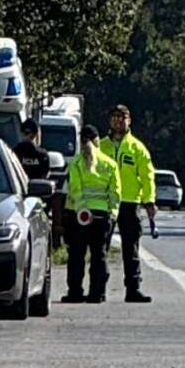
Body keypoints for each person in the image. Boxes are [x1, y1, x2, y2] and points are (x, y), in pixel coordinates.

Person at [100, 104, 156, 303]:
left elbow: (147, 175)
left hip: (129, 203)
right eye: (114, 116)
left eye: (122, 117)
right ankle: (98, 289)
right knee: (101, 247)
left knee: (130, 247)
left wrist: (149, 200)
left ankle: (133, 288)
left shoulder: (137, 148)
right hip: (105, 203)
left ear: (129, 120)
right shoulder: (101, 146)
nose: (118, 120)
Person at [62, 125, 120, 304]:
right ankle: (97, 293)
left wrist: (81, 210)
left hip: (80, 216)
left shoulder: (77, 163)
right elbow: (115, 192)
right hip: (102, 215)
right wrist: (112, 213)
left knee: (77, 255)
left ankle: (75, 293)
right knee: (99, 254)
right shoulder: (110, 164)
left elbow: (75, 189)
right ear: (97, 140)